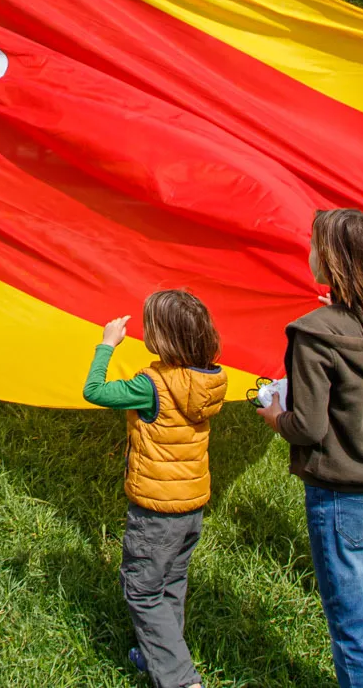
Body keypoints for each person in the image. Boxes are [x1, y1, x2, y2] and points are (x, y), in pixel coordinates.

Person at [263, 209, 363, 688]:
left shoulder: (313, 332)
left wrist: (274, 417)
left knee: (350, 623)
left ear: (329, 261)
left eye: (313, 244)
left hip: (340, 491)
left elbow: (307, 425)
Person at [83, 290, 228, 688]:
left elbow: (94, 391)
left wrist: (106, 346)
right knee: (170, 583)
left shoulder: (152, 386)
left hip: (157, 510)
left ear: (162, 338)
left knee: (142, 590)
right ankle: (157, 657)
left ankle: (182, 679)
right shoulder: (211, 378)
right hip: (192, 505)